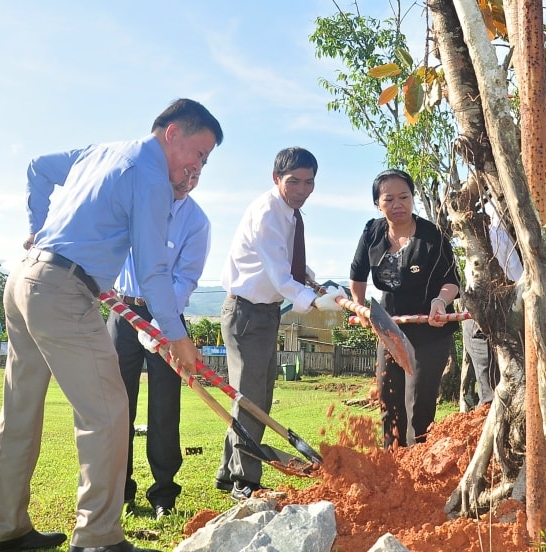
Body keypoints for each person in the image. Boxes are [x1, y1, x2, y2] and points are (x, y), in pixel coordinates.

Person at [0, 99, 223, 552]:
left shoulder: (104, 151)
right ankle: (96, 536)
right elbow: (153, 273)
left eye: (205, 161)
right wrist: (178, 337)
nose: (198, 166)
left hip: (25, 278)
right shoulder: (150, 177)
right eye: (199, 152)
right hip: (62, 290)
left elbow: (36, 168)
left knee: (21, 409)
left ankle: (4, 528)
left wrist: (38, 229)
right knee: (111, 412)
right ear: (172, 133)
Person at [215, 146, 345, 501]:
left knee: (258, 395)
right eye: (294, 181)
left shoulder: (289, 214)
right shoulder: (268, 213)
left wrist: (314, 281)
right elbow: (278, 275)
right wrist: (316, 301)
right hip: (247, 313)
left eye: (309, 182)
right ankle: (245, 481)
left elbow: (290, 264)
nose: (302, 189)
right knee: (251, 400)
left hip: (265, 314)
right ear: (276, 178)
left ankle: (229, 473)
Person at [107, 172, 209, 522]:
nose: (188, 179)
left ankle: (163, 493)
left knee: (165, 408)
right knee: (117, 406)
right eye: (183, 171)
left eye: (197, 173)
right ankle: (118, 490)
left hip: (166, 316)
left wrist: (162, 323)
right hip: (122, 312)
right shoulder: (135, 206)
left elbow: (185, 279)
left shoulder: (197, 222)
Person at [349, 168, 460, 447]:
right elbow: (357, 273)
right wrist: (359, 306)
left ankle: (418, 459)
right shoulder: (372, 232)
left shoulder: (432, 236)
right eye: (389, 199)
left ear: (412, 199)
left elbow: (451, 281)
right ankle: (393, 461)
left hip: (430, 328)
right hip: (390, 325)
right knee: (390, 399)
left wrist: (439, 302)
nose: (397, 205)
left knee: (418, 402)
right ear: (378, 203)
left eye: (404, 197)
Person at [461, 201, 522, 408]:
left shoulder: (504, 232)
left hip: (498, 314)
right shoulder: (494, 231)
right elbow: (516, 276)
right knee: (492, 384)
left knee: (499, 382)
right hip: (487, 314)